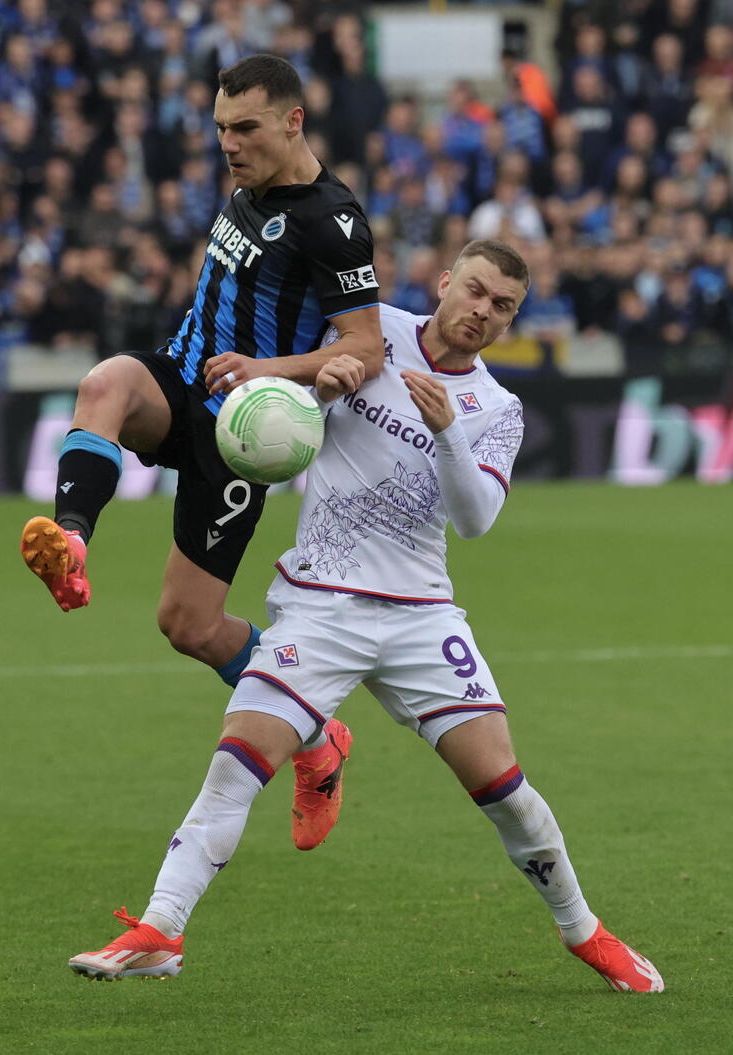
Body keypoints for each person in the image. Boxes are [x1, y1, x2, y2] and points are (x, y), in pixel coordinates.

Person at [67, 240, 664, 993]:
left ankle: (586, 931)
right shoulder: (368, 329)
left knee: (506, 790)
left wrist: (447, 429)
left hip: (421, 615)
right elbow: (282, 418)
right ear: (446, 281)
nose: (483, 310)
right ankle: (162, 929)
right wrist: (320, 383)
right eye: (475, 290)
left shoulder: (498, 409)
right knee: (236, 764)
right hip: (321, 604)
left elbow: (475, 519)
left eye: (502, 305)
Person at [19, 53, 382, 692]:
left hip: (241, 431)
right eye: (220, 128)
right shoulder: (251, 182)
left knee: (188, 625)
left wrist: (264, 369)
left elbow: (366, 346)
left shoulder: (333, 223)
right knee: (103, 385)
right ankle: (71, 546)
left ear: (294, 121)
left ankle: (316, 733)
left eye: (245, 128)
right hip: (182, 377)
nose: (229, 145)